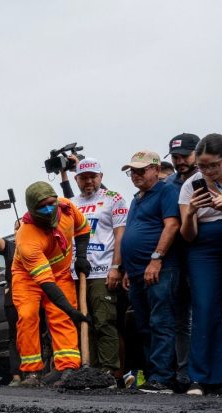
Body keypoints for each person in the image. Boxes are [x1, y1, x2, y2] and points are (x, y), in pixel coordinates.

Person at [178, 134, 222, 397]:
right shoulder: (191, 184)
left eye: (213, 165)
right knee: (205, 308)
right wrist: (192, 212)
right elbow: (187, 235)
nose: (207, 172)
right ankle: (203, 378)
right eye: (202, 166)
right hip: (204, 247)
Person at [12, 182, 91, 387]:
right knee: (28, 316)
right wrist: (71, 310)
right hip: (28, 277)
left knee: (62, 318)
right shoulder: (27, 236)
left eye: (51, 203)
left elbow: (82, 230)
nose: (49, 209)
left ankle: (68, 368)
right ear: (31, 209)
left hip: (61, 273)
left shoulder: (66, 207)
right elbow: (46, 283)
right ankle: (32, 372)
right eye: (42, 206)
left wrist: (81, 257)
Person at [119, 150, 182, 394]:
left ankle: (164, 378)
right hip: (135, 272)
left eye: (141, 170)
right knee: (144, 325)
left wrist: (156, 259)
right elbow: (132, 230)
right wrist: (126, 269)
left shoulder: (166, 191)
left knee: (161, 322)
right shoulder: (137, 198)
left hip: (159, 269)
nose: (135, 175)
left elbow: (172, 224)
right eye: (132, 171)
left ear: (156, 169)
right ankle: (153, 374)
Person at [66, 158, 127, 383]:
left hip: (103, 270)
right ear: (77, 179)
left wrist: (116, 267)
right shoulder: (70, 203)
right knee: (83, 321)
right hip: (76, 273)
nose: (88, 181)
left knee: (104, 320)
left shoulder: (113, 199)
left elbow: (121, 234)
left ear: (101, 177)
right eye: (83, 177)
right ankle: (88, 370)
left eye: (93, 176)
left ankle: (109, 371)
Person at [164, 133, 199, 391]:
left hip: (204, 257)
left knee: (205, 316)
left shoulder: (208, 180)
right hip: (177, 260)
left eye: (184, 156)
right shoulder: (170, 184)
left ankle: (209, 373)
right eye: (175, 157)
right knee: (180, 321)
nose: (180, 162)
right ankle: (185, 373)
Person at [0, 202, 22, 385]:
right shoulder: (9, 247)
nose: (20, 230)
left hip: (35, 296)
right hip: (13, 297)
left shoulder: (38, 245)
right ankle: (16, 375)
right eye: (17, 227)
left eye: (23, 226)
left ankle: (38, 372)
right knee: (14, 335)